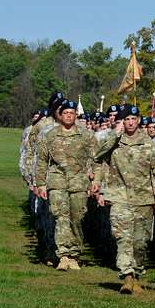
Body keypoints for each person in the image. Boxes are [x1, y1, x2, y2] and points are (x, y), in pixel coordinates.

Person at [93, 105, 155, 293]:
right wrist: (115, 133)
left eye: (134, 119)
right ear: (122, 122)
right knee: (123, 238)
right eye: (126, 119)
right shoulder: (113, 141)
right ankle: (126, 276)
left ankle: (136, 274)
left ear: (139, 121)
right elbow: (99, 154)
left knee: (140, 241)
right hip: (120, 196)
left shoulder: (147, 142)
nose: (130, 122)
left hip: (143, 198)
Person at [34, 100, 96, 271]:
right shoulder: (50, 136)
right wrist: (40, 183)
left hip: (78, 182)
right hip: (57, 181)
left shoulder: (86, 135)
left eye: (72, 113)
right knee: (61, 217)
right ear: (60, 115)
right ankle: (63, 255)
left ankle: (74, 254)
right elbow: (41, 161)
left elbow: (96, 159)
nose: (69, 115)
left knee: (77, 218)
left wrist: (95, 180)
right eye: (65, 113)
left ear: (76, 115)